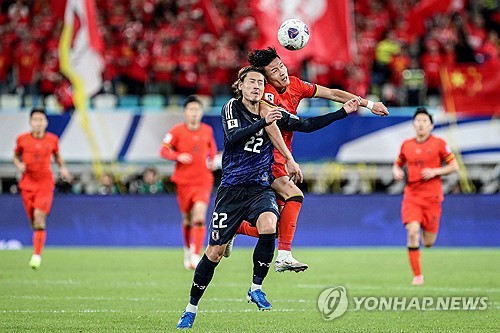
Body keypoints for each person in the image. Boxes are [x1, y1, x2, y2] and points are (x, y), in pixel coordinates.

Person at [176, 66, 360, 329]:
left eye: (261, 83)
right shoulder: (232, 108)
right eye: (251, 82)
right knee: (214, 253)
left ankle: (255, 287)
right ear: (239, 86)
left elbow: (306, 124)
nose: (256, 87)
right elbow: (234, 136)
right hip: (231, 190)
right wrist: (265, 122)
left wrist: (342, 112)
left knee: (269, 224)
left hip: (259, 187)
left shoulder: (270, 111)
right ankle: (191, 308)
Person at [232, 46, 389, 273]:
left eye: (281, 66)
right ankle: (284, 256)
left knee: (274, 226)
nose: (282, 72)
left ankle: (233, 227)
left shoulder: (295, 85)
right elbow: (303, 126)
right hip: (265, 157)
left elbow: (333, 93)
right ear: (266, 78)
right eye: (274, 71)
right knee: (294, 194)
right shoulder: (265, 98)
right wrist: (289, 158)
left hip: (280, 157)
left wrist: (369, 104)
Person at [392, 107, 459, 285]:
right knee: (412, 232)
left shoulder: (439, 143)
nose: (421, 124)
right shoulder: (406, 144)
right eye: (418, 120)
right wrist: (396, 170)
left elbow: (454, 166)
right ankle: (418, 276)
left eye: (424, 121)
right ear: (413, 124)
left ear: (431, 125)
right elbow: (397, 163)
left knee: (428, 242)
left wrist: (435, 171)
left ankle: (423, 237)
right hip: (412, 196)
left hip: (433, 198)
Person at [160, 95, 218, 270]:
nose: (194, 113)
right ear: (185, 112)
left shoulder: (207, 130)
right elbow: (163, 150)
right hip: (184, 181)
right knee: (187, 219)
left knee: (199, 217)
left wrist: (212, 159)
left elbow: (212, 148)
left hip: (203, 180)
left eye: (197, 109)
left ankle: (196, 254)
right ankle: (187, 249)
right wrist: (178, 156)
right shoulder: (176, 131)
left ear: (201, 112)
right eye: (191, 109)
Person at [13, 108, 72, 269]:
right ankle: (38, 244)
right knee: (34, 223)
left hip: (45, 184)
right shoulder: (22, 139)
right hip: (27, 185)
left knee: (40, 218)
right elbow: (16, 156)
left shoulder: (52, 140)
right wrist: (19, 165)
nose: (38, 123)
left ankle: (37, 255)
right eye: (35, 120)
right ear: (30, 122)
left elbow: (58, 157)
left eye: (41, 120)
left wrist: (63, 169)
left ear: (46, 122)